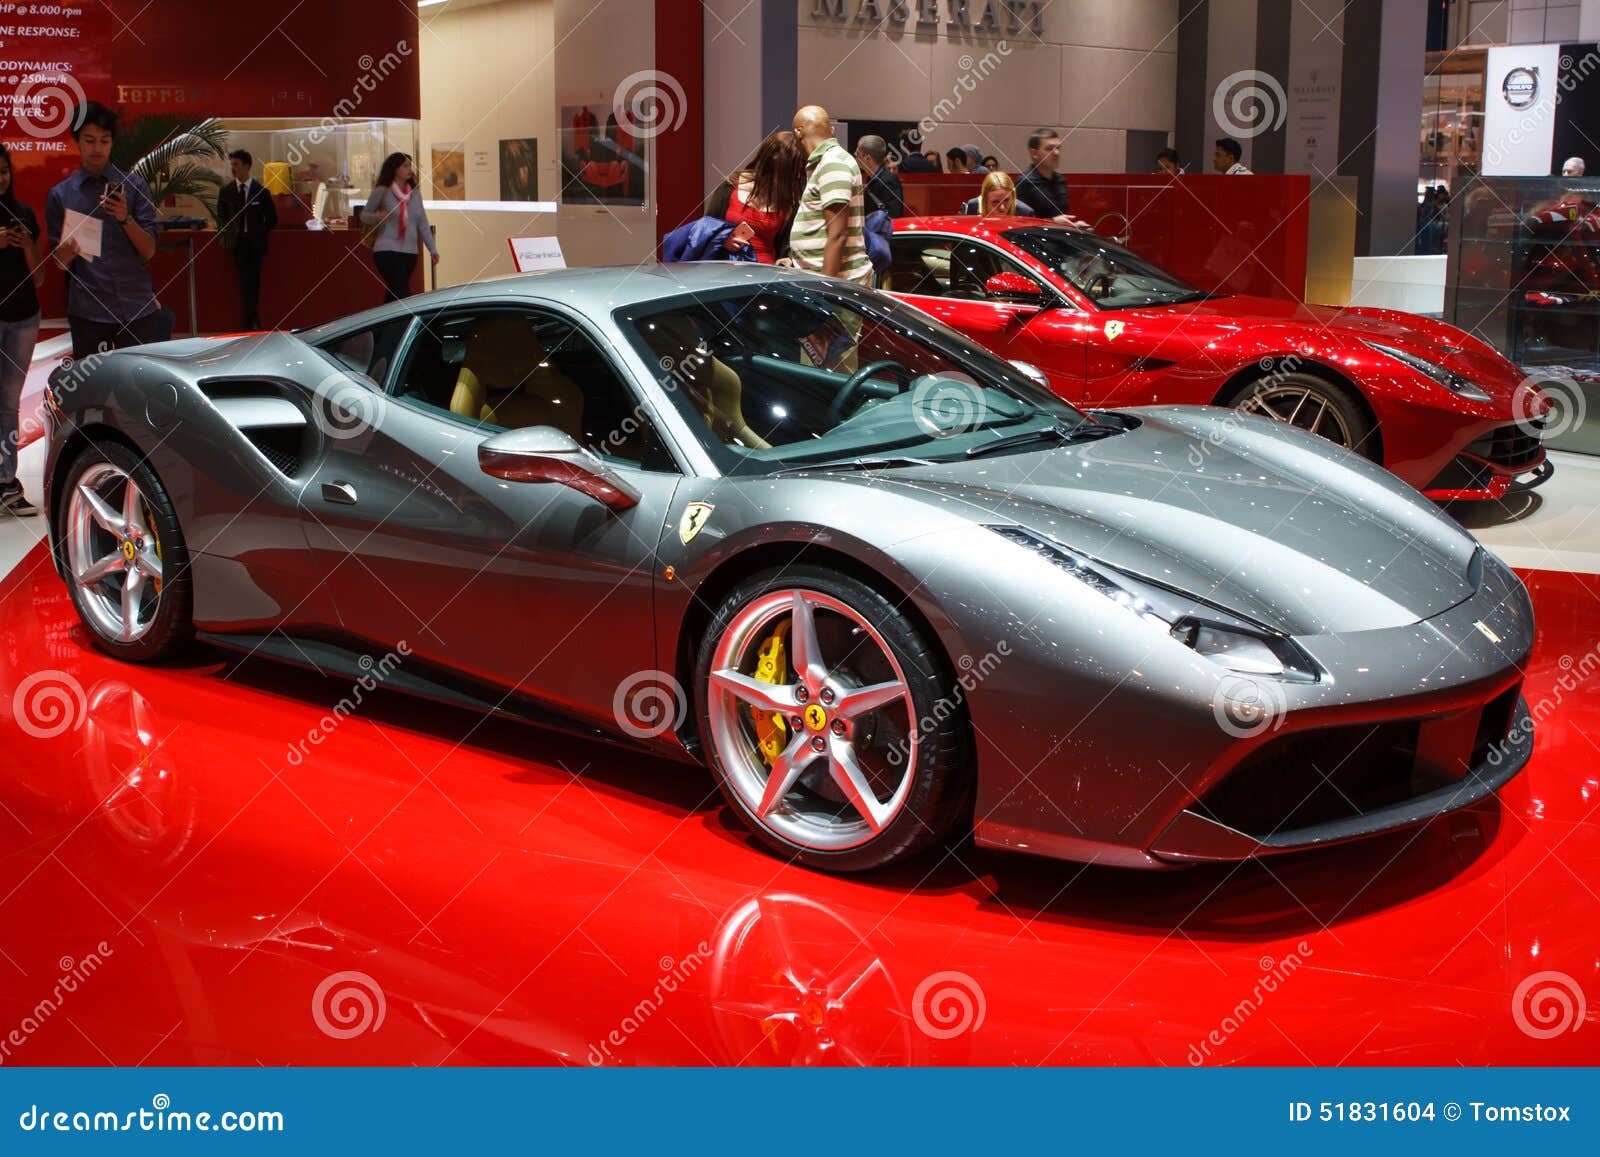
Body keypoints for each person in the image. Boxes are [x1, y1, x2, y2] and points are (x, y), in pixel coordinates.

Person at [46, 102, 163, 359]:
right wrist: (65, 253)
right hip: (89, 312)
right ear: (77, 141)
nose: (97, 148)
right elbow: (58, 264)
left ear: (112, 143)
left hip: (137, 308)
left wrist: (125, 218)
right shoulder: (61, 195)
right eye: (89, 140)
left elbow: (149, 250)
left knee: (139, 388)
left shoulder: (134, 187)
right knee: (92, 390)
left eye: (104, 140)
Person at [0, 142, 43, 518]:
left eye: (3, 170)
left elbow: (40, 276)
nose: (1, 177)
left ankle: (6, 483)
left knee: (10, 402)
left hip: (23, 318)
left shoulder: (25, 213)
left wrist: (26, 243)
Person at [789, 105, 872, 285]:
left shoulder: (832, 162)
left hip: (838, 284)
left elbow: (838, 235)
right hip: (825, 278)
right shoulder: (829, 161)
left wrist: (826, 291)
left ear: (798, 132)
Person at [705, 130, 806, 263]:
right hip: (726, 272)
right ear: (774, 162)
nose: (795, 178)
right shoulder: (730, 187)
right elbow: (706, 228)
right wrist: (723, 239)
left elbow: (786, 246)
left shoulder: (788, 202)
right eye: (791, 172)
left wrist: (788, 260)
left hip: (765, 276)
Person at [362, 152, 439, 302]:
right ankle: (409, 323)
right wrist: (377, 216)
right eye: (405, 165)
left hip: (410, 253)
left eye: (410, 165)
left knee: (394, 296)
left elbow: (422, 222)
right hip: (387, 251)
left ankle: (385, 324)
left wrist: (432, 249)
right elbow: (364, 215)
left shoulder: (415, 194)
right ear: (395, 168)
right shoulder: (382, 191)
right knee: (404, 295)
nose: (409, 169)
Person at [215, 148, 277, 329]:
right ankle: (250, 320)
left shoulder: (261, 191)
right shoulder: (226, 191)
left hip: (255, 245)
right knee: (243, 282)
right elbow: (221, 217)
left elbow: (272, 218)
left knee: (254, 282)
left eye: (236, 164)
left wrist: (259, 233)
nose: (233, 168)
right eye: (231, 164)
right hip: (237, 244)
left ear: (247, 166)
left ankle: (250, 319)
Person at [1015, 128, 1071, 221]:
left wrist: (1075, 226)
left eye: (1058, 148)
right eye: (1049, 149)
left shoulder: (1060, 180)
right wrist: (1053, 222)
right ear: (1034, 153)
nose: (1056, 153)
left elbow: (1061, 215)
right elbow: (1018, 221)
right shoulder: (1024, 182)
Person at [855, 135, 905, 219]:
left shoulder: (889, 181)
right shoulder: (872, 179)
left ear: (867, 158)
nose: (855, 158)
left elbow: (893, 216)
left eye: (857, 155)